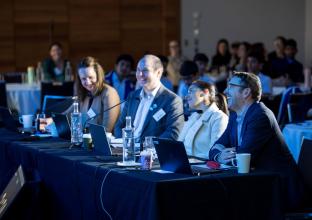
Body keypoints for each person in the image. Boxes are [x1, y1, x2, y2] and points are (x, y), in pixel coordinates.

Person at [209, 72, 304, 210]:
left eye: (231, 86)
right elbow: (214, 147)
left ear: (246, 92)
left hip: (279, 190)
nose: (224, 91)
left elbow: (245, 157)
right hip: (258, 184)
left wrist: (225, 155)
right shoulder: (235, 115)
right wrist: (219, 155)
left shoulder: (261, 115)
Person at [114, 54, 184, 142]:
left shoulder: (172, 101)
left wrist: (145, 147)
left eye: (145, 70)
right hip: (125, 150)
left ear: (158, 73)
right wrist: (124, 144)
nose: (140, 74)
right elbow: (119, 126)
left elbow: (172, 133)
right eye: (138, 70)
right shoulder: (133, 96)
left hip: (150, 153)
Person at [41, 57, 120, 133]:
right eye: (83, 79)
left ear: (98, 76)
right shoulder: (84, 94)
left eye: (90, 77)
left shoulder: (109, 93)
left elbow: (107, 130)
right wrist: (50, 120)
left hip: (106, 144)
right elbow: (67, 115)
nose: (88, 82)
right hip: (85, 142)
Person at [178, 81, 228, 159]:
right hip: (184, 163)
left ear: (205, 93)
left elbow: (215, 152)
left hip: (202, 167)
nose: (186, 97)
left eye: (190, 91)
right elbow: (179, 144)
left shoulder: (219, 118)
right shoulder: (194, 117)